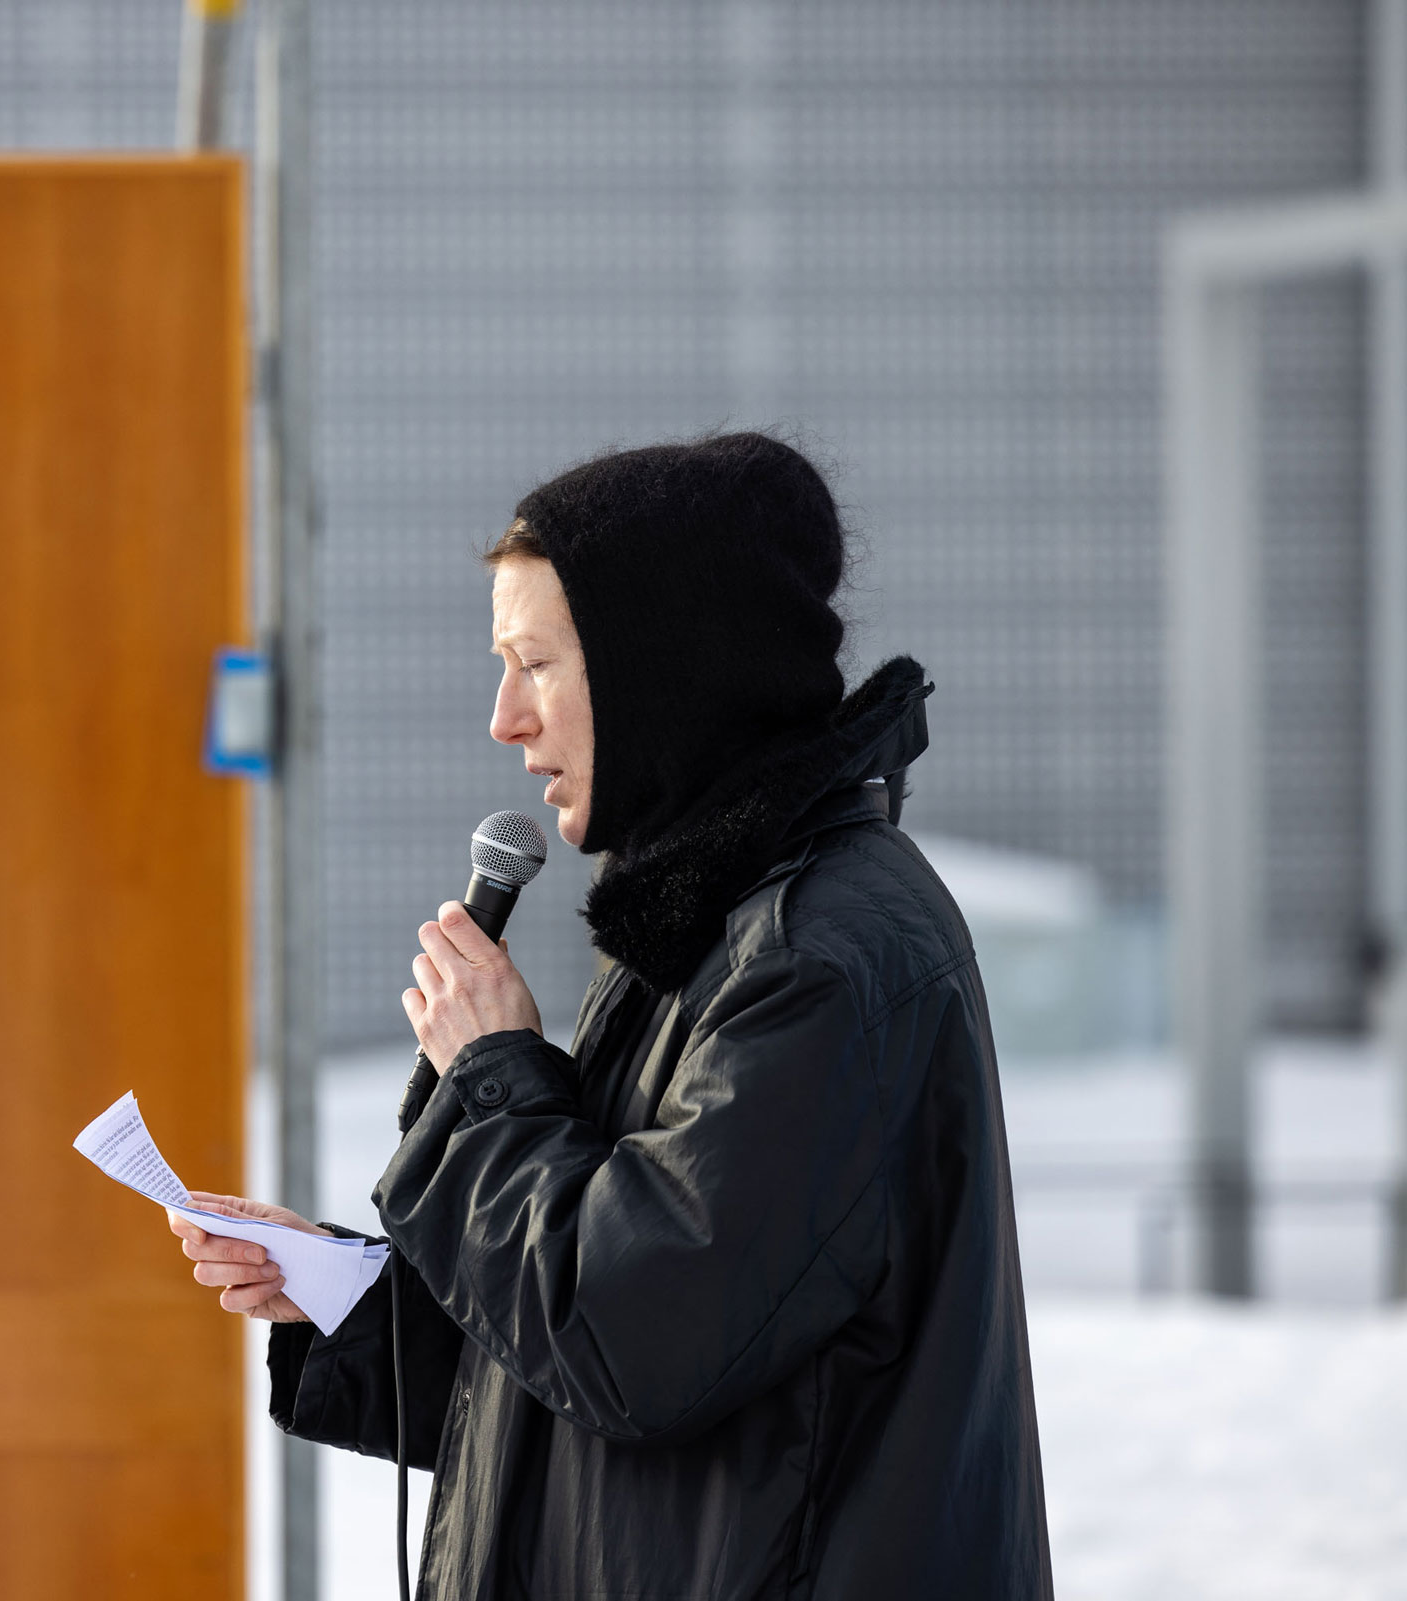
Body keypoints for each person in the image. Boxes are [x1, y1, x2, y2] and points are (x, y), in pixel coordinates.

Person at [169, 434, 1053, 1599]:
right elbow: (585, 1378)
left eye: (535, 663)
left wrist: (489, 1074)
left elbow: (634, 1332)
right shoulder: (707, 932)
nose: (504, 718)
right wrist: (346, 1297)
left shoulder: (820, 958)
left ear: (662, 671)